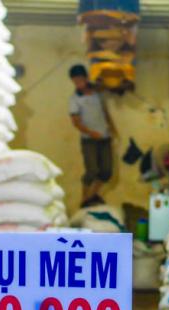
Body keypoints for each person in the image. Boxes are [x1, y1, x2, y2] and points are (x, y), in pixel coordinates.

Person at [68, 64, 117, 207]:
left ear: (86, 78)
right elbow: (76, 123)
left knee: (107, 171)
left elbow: (104, 111)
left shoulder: (97, 92)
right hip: (89, 139)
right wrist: (91, 133)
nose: (78, 84)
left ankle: (92, 196)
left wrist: (112, 128)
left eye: (80, 80)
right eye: (75, 81)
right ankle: (84, 199)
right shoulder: (75, 99)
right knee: (92, 170)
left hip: (104, 137)